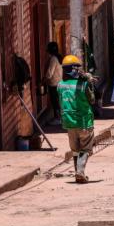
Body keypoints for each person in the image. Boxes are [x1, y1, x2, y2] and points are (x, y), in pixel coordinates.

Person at [59, 54, 96, 183]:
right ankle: (80, 171)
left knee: (75, 150)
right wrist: (90, 83)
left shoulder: (60, 85)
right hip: (84, 121)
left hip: (69, 122)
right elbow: (92, 100)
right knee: (85, 148)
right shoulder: (84, 84)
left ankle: (77, 174)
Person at [44, 42, 63, 125]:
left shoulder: (53, 59)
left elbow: (50, 73)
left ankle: (57, 119)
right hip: (59, 82)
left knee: (55, 102)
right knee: (57, 101)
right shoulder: (59, 57)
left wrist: (44, 79)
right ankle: (59, 118)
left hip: (54, 84)